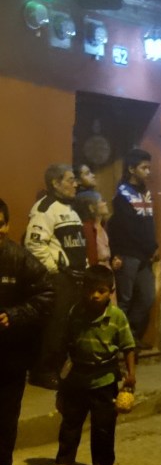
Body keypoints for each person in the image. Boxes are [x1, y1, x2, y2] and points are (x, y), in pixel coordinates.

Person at [47, 265, 136, 465]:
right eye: (89, 290)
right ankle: (64, 460)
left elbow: (128, 346)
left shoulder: (116, 317)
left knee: (103, 426)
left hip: (104, 379)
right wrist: (62, 376)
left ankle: (101, 464)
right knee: (70, 422)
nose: (94, 295)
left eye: (100, 291)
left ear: (111, 292)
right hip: (77, 377)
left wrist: (131, 375)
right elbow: (67, 342)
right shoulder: (76, 312)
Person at [0, 197, 52, 465]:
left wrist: (14, 315)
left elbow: (47, 294)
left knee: (4, 423)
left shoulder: (20, 260)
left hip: (9, 358)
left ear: (5, 225)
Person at [24, 163, 86, 389]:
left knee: (69, 326)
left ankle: (59, 368)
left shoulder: (70, 208)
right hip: (60, 279)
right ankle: (43, 371)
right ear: (55, 183)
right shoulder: (45, 209)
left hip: (76, 278)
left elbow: (76, 245)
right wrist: (54, 272)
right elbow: (34, 244)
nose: (75, 184)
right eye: (70, 179)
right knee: (55, 325)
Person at [108, 148, 157, 344]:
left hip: (145, 255)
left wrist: (153, 246)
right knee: (124, 300)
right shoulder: (123, 195)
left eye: (149, 167)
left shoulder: (145, 192)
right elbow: (126, 228)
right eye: (144, 168)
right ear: (131, 169)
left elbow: (148, 222)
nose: (148, 172)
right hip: (129, 254)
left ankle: (130, 334)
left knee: (147, 296)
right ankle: (118, 341)